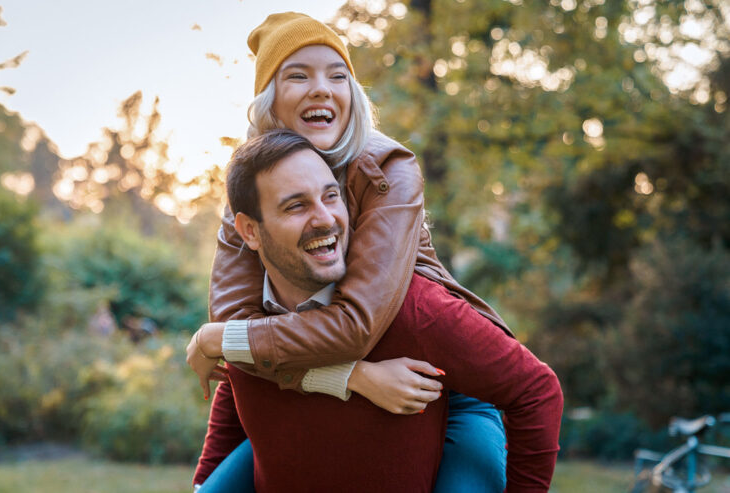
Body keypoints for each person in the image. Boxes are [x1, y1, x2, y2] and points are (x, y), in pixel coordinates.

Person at [186, 11, 536, 492]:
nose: (322, 89)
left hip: (445, 383)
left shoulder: (386, 171)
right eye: (298, 75)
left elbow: (352, 325)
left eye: (337, 75)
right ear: (269, 102)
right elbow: (243, 336)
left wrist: (215, 339)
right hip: (318, 369)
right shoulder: (249, 197)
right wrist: (353, 378)